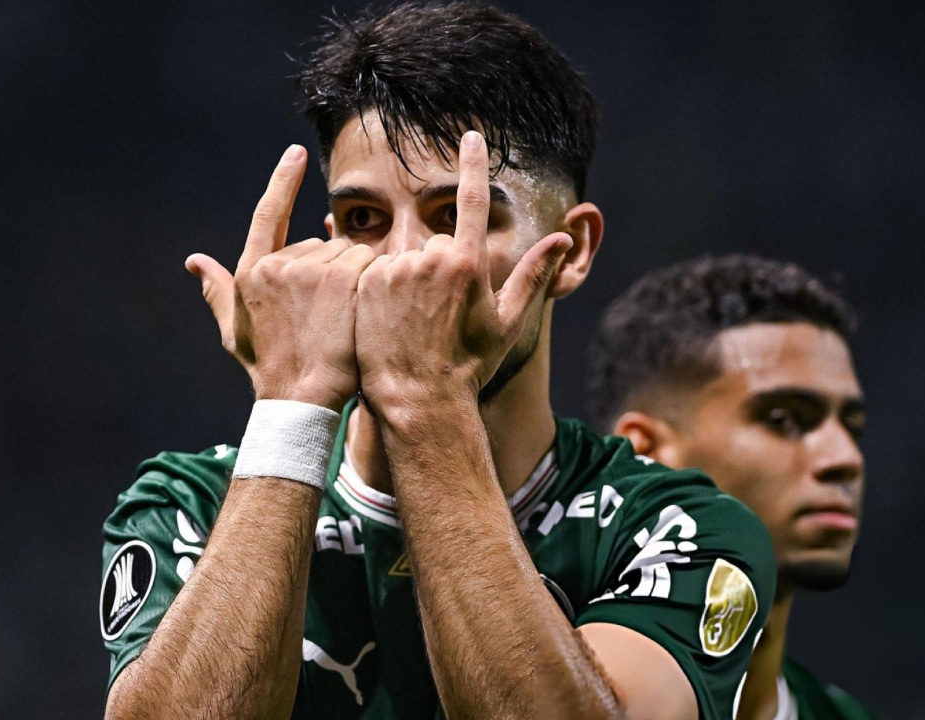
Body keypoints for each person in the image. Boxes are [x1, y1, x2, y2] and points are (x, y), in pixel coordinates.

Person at [99, 5, 774, 719]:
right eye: (363, 220)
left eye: (457, 215)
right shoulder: (192, 502)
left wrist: (425, 405)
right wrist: (290, 410)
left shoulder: (682, 529)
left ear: (571, 251)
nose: (401, 263)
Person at [587, 255, 878, 720]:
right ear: (646, 453)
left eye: (852, 426)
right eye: (784, 420)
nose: (844, 459)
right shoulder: (503, 677)